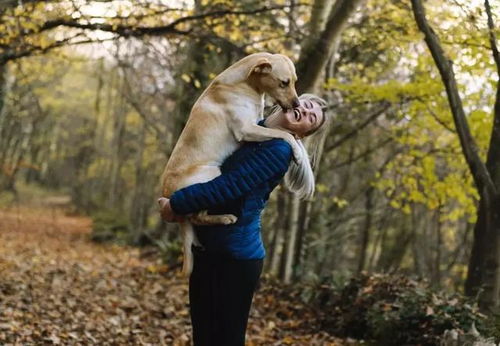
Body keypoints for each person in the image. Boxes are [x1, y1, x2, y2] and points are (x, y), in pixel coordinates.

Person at [159, 93, 330, 346]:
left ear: (301, 135)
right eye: (305, 105)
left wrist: (177, 204)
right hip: (206, 249)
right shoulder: (251, 129)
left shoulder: (279, 149)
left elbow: (228, 187)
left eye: (311, 117)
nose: (304, 111)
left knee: (225, 340)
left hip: (235, 260)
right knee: (204, 338)